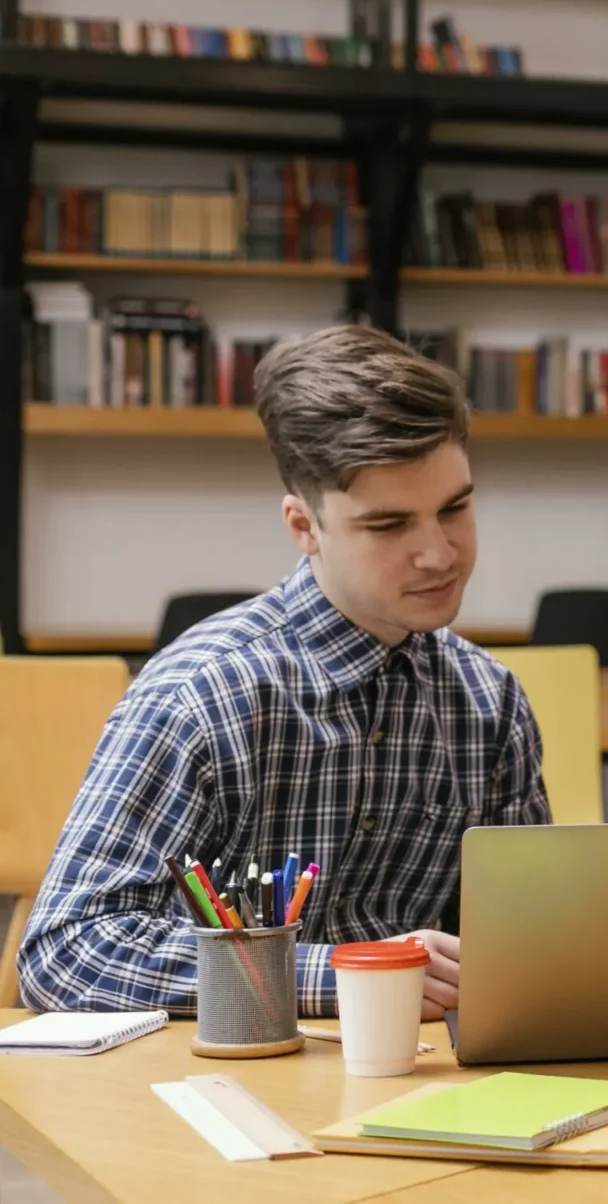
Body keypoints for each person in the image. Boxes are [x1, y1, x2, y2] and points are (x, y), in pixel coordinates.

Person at [17, 325, 550, 1019]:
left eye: (454, 507)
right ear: (304, 525)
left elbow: (529, 948)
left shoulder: (489, 702)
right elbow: (66, 951)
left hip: (418, 1095)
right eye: (388, 525)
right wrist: (349, 975)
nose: (437, 553)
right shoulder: (202, 696)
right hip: (218, 1093)